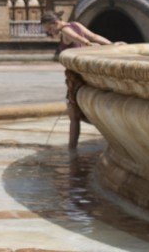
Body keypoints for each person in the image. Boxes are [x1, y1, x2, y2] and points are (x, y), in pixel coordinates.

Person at [41, 11, 114, 149]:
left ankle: (72, 150)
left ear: (55, 23)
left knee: (74, 117)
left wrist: (88, 44)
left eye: (50, 29)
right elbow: (94, 36)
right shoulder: (76, 24)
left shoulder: (65, 31)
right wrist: (111, 44)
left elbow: (76, 37)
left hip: (76, 78)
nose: (51, 33)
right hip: (85, 75)